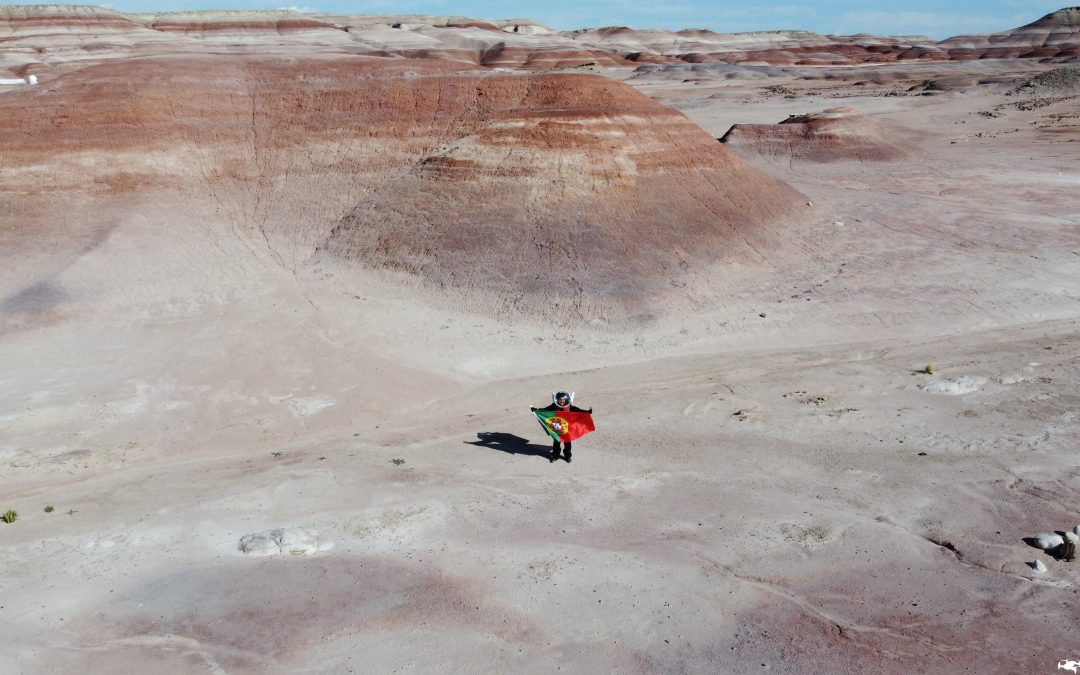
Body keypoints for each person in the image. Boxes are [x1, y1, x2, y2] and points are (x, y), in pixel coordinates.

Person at [531, 391, 592, 463]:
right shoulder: (554, 406)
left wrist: (587, 412)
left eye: (563, 399)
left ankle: (568, 457)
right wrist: (535, 410)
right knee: (556, 444)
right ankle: (555, 456)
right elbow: (545, 410)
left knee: (568, 445)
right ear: (557, 400)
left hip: (567, 430)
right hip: (557, 430)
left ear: (566, 400)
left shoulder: (569, 407)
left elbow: (579, 411)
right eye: (560, 399)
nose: (562, 401)